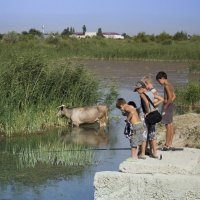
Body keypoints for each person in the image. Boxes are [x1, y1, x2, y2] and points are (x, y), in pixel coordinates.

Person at [134, 81, 164, 158]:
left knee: (144, 134)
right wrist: (154, 106)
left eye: (137, 89)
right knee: (152, 134)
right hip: (153, 116)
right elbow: (161, 99)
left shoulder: (142, 94)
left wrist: (147, 111)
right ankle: (155, 153)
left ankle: (142, 154)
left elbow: (146, 102)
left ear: (142, 88)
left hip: (146, 116)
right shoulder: (151, 93)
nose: (137, 92)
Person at [156, 71, 176, 150]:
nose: (159, 83)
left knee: (167, 125)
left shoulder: (166, 86)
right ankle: (169, 144)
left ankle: (167, 144)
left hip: (167, 107)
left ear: (163, 78)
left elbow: (170, 98)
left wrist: (166, 106)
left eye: (159, 81)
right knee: (170, 125)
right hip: (170, 106)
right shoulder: (170, 85)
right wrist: (169, 102)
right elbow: (174, 96)